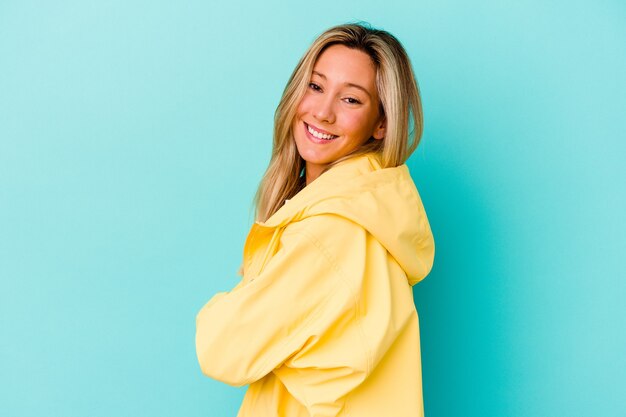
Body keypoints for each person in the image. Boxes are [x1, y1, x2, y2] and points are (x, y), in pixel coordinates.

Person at [195, 22, 435, 417]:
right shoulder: (371, 214)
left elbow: (220, 349)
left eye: (352, 100)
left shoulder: (330, 231)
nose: (322, 113)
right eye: (316, 86)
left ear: (381, 123)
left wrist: (233, 305)